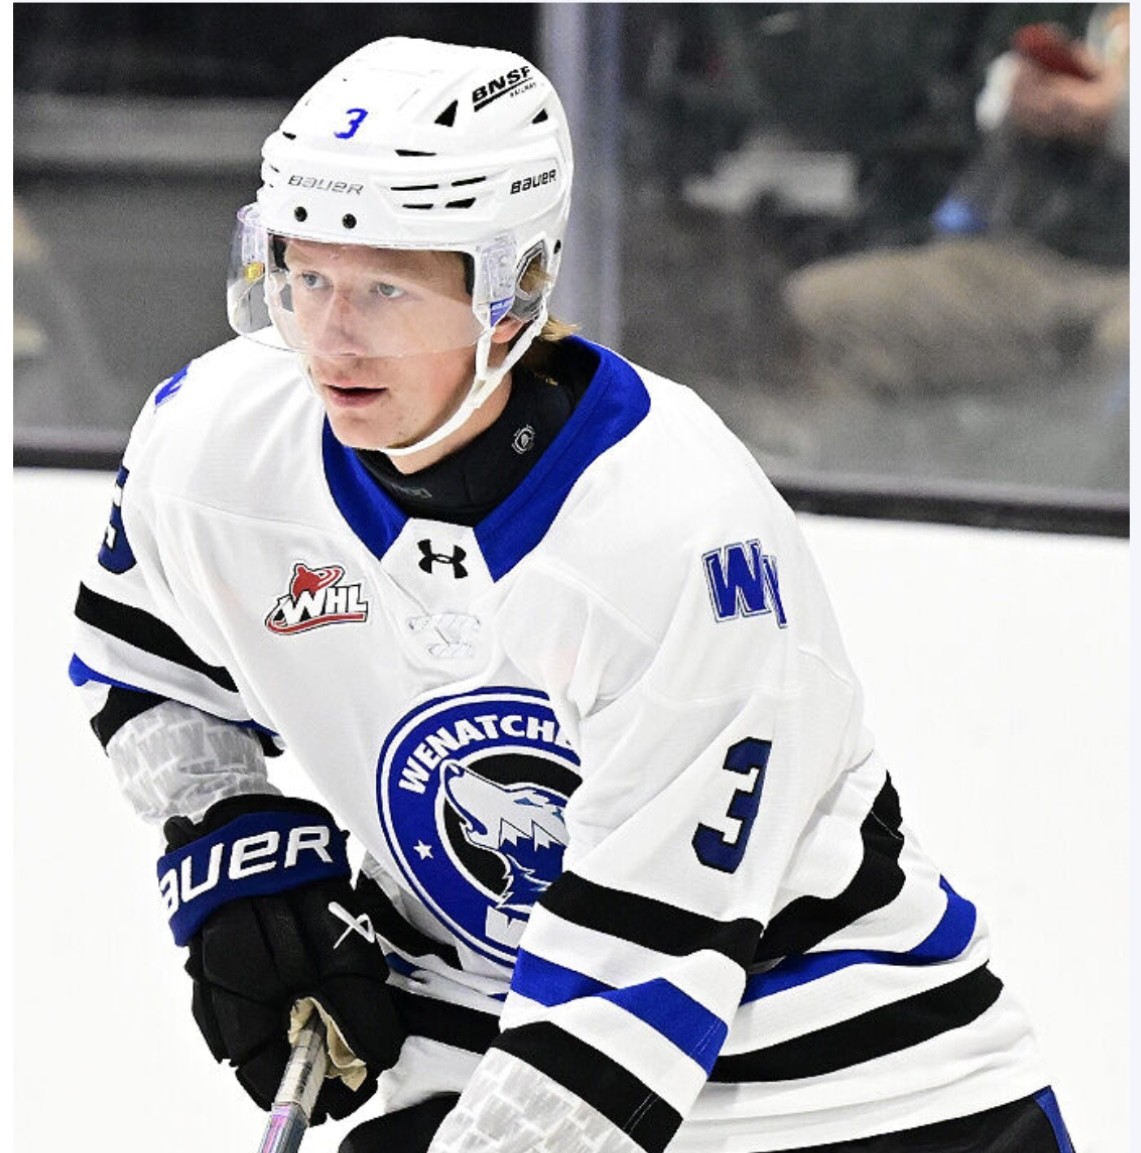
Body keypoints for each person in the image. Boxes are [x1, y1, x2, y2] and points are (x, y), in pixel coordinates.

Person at [71, 37, 1076, 1153]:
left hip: (850, 1091)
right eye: (306, 278)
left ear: (513, 292)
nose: (330, 340)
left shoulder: (675, 535)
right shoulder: (214, 442)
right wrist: (230, 842)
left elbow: (629, 994)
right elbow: (140, 652)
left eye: (386, 289)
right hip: (477, 1041)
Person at [783, 4, 1128, 399]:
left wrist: (1120, 117)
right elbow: (978, 84)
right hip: (1029, 252)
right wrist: (1022, 96)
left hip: (1120, 275)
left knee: (1122, 348)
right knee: (827, 306)